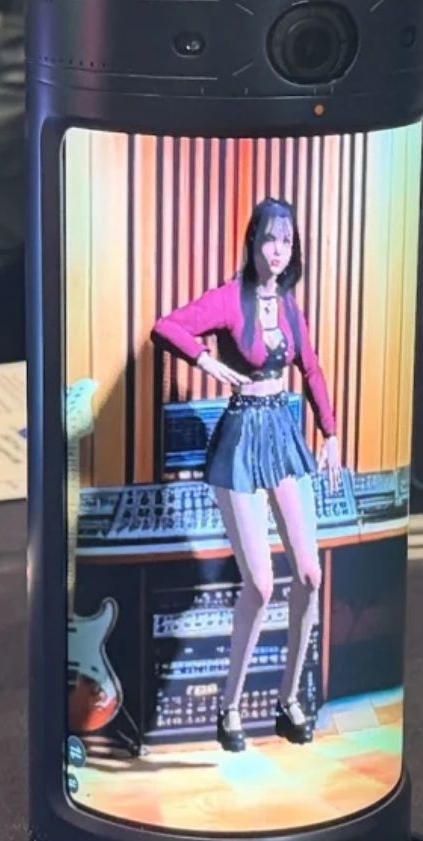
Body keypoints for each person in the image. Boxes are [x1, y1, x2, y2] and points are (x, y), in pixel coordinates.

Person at [151, 197, 340, 753]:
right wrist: (207, 362)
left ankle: (289, 700)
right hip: (240, 437)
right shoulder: (229, 299)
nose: (277, 251)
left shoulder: (290, 306)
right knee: (259, 583)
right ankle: (229, 706)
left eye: (286, 241)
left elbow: (311, 368)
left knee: (310, 574)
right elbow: (167, 328)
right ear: (253, 242)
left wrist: (330, 433)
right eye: (269, 239)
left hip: (283, 432)